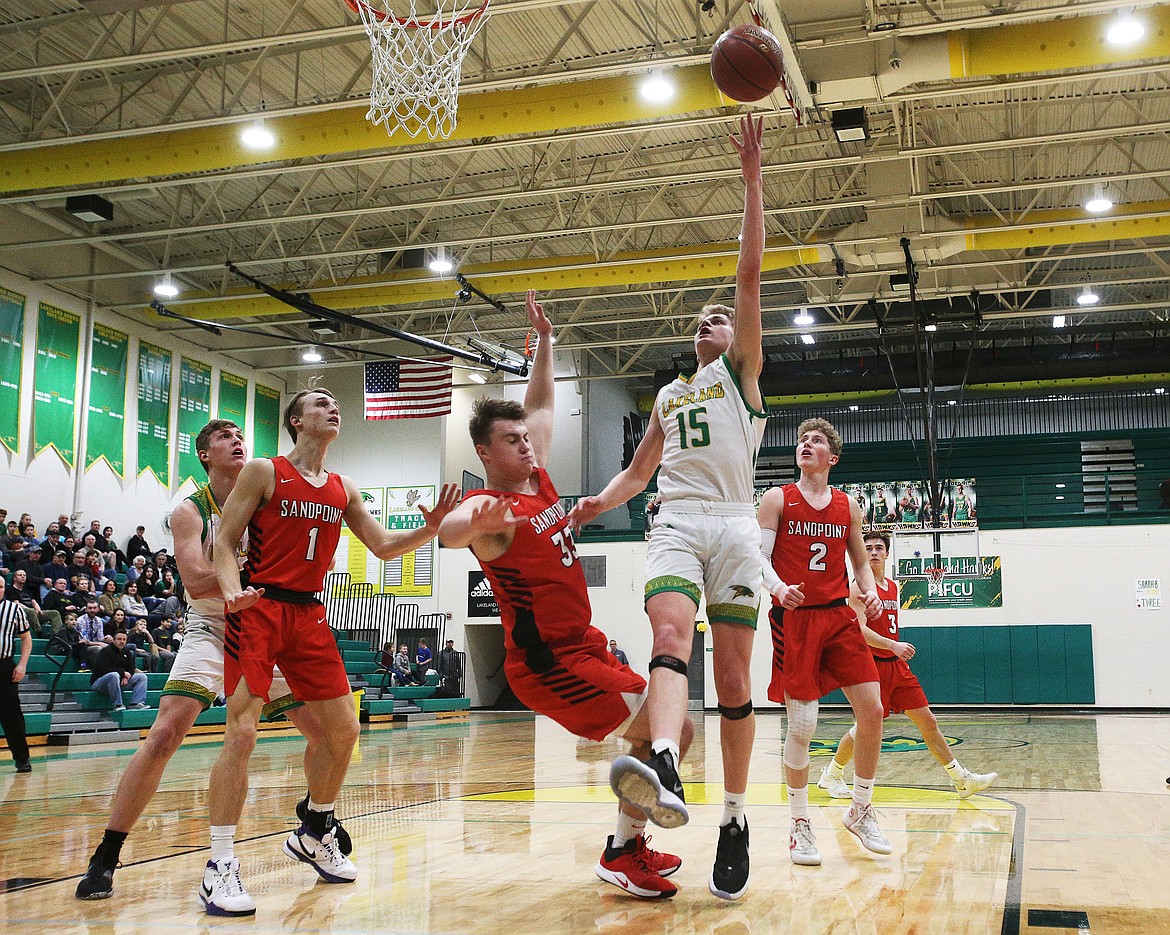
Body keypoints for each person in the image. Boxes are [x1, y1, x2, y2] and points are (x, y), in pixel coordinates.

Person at [567, 113, 766, 901]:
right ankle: (669, 763)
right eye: (700, 319)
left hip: (737, 523)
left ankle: (740, 814)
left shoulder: (741, 378)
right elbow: (638, 473)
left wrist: (751, 183)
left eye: (716, 317)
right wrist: (595, 505)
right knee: (670, 633)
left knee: (742, 676)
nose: (708, 321)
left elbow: (748, 275)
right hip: (678, 522)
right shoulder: (669, 395)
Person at [440, 290, 691, 901]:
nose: (526, 445)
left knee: (670, 730)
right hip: (547, 665)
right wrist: (469, 525)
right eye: (512, 441)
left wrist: (546, 344)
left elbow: (543, 403)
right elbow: (452, 532)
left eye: (527, 438)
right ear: (485, 452)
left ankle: (624, 849)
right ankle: (621, 853)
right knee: (665, 729)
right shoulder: (492, 512)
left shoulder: (541, 477)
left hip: (585, 647)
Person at [76, 419, 359, 905]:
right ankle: (106, 852)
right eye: (223, 437)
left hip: (271, 625)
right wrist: (255, 572)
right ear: (204, 454)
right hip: (214, 625)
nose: (237, 441)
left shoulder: (269, 491)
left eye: (240, 436)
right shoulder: (191, 510)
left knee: (328, 734)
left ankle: (316, 822)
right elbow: (194, 581)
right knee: (166, 732)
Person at [206, 391, 458, 914]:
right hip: (260, 607)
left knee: (344, 730)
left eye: (335, 403)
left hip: (310, 615)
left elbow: (385, 547)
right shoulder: (263, 471)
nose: (333, 408)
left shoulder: (343, 488)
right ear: (297, 420)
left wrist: (430, 529)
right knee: (243, 731)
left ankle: (315, 826)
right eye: (321, 403)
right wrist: (232, 592)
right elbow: (224, 543)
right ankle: (220, 864)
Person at [757, 417, 890, 868]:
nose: (805, 445)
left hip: (837, 616)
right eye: (802, 440)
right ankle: (799, 824)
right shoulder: (777, 498)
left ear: (832, 458)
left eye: (815, 441)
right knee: (803, 727)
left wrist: (868, 591)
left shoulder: (847, 506)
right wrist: (776, 589)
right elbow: (758, 557)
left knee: (873, 710)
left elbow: (861, 562)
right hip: (794, 619)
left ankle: (861, 808)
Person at [817, 531, 998, 801]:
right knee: (864, 727)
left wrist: (894, 649)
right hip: (870, 666)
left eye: (879, 547)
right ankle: (832, 774)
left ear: (888, 553)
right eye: (868, 548)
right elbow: (859, 631)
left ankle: (961, 779)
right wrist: (892, 645)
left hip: (896, 667)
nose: (874, 552)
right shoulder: (857, 588)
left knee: (928, 722)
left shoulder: (892, 587)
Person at [0, 574, 33, 773]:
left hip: (4, 667)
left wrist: (22, 665)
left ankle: (22, 759)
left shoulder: (14, 609)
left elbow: (26, 640)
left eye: (1, 586)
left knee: (12, 716)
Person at [90, 629, 149, 712]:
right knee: (114, 675)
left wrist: (126, 677)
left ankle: (136, 703)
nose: (122, 642)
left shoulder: (127, 652)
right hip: (100, 683)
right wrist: (123, 673)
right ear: (113, 640)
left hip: (119, 681)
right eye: (119, 639)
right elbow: (104, 669)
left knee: (142, 677)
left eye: (124, 639)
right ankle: (117, 704)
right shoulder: (105, 651)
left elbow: (131, 668)